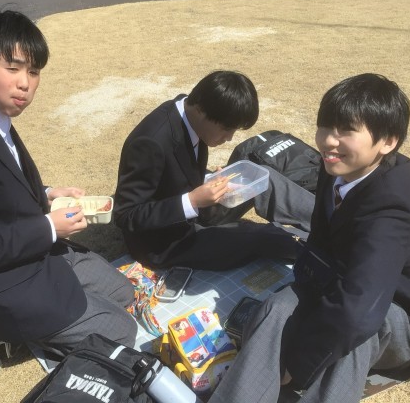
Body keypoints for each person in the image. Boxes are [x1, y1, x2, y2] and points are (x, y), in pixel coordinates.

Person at [0, 10, 137, 379]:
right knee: (122, 331)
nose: (25, 84)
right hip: (2, 284)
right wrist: (49, 227)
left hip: (34, 253)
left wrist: (47, 193)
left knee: (123, 293)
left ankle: (51, 316)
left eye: (34, 72)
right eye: (13, 68)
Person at [208, 74, 410, 403]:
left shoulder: (391, 207)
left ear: (388, 142)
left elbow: (359, 312)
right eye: (325, 127)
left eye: (346, 130)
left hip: (392, 315)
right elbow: (320, 249)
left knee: (351, 340)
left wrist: (297, 364)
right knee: (277, 308)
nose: (329, 141)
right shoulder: (338, 167)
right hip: (337, 286)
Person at [113, 70, 307, 270]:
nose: (229, 138)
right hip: (168, 241)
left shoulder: (191, 113)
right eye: (227, 129)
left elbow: (176, 170)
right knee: (260, 236)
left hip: (197, 208)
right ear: (200, 110)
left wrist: (209, 179)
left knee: (263, 178)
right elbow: (125, 215)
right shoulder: (150, 143)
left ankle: (324, 221)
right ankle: (317, 251)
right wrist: (192, 200)